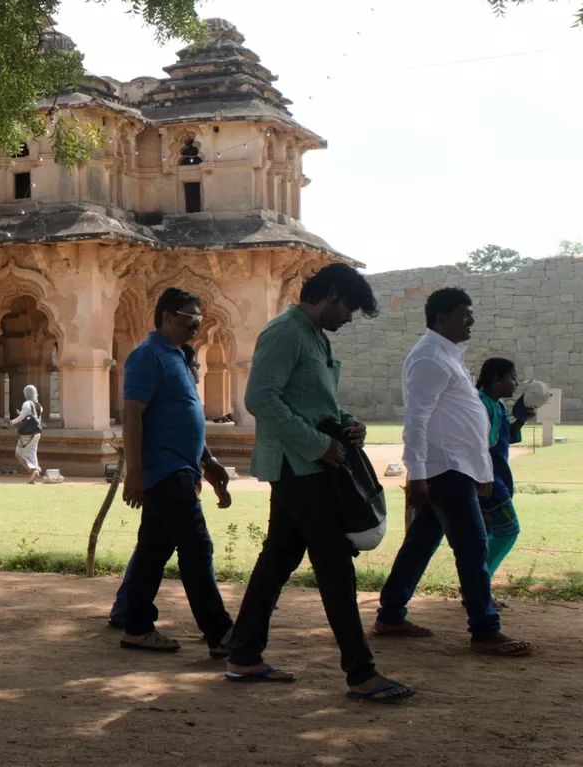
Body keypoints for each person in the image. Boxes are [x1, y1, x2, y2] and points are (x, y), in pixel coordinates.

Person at [225, 263, 416, 703]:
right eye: (348, 308)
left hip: (310, 464)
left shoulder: (313, 335)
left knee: (278, 560)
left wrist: (348, 424)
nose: (348, 319)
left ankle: (244, 655)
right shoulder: (285, 332)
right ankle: (361, 673)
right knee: (333, 564)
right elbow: (260, 398)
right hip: (299, 467)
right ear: (330, 295)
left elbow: (313, 400)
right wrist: (316, 443)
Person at [373, 290, 533, 656]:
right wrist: (415, 474)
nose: (471, 321)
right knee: (473, 547)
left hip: (455, 468)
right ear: (441, 318)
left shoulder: (446, 356)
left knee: (421, 544)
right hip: (444, 471)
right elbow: (417, 418)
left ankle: (391, 615)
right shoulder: (429, 358)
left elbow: (460, 421)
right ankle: (484, 630)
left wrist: (482, 469)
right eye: (464, 315)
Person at [106, 289, 234, 656]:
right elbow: (133, 415)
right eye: (189, 314)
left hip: (183, 467)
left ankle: (137, 626)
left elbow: (185, 415)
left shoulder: (178, 357)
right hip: (165, 470)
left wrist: (207, 462)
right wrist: (134, 473)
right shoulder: (147, 357)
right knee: (197, 546)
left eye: (199, 314)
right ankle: (221, 632)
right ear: (166, 317)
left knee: (153, 550)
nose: (197, 321)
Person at [476, 358, 530, 598]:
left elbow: (505, 438)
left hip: (495, 479)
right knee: (508, 529)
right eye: (512, 377)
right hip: (489, 482)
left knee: (485, 538)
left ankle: (476, 589)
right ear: (498, 380)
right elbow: (480, 445)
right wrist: (484, 478)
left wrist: (520, 420)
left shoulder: (496, 406)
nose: (516, 383)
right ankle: (478, 587)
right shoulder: (481, 405)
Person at [8, 385, 44, 483]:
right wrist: (22, 415)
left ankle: (33, 470)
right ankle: (33, 475)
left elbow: (22, 418)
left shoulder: (27, 404)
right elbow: (33, 419)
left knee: (18, 454)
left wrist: (12, 422)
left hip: (27, 434)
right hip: (37, 433)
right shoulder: (39, 406)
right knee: (32, 454)